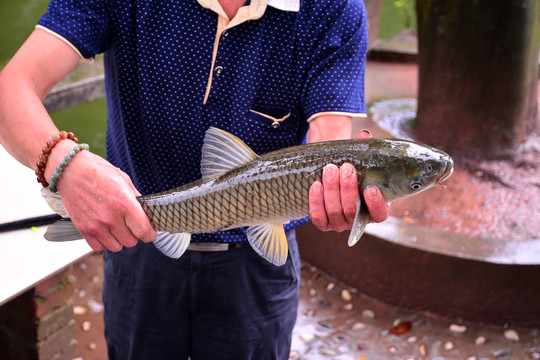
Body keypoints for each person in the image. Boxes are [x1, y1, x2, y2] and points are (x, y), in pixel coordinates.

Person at [0, 0, 389, 359]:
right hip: (137, 241)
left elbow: (330, 145)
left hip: (257, 263)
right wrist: (65, 167)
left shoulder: (333, 8)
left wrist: (338, 197)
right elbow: (11, 88)